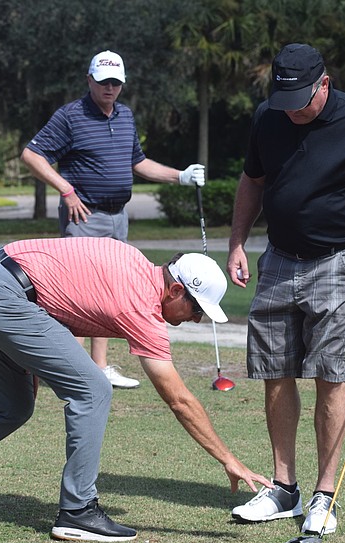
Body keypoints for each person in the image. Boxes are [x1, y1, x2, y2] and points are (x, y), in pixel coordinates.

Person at [0, 237, 272, 542]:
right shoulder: (141, 307)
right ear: (174, 290)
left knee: (12, 406)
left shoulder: (133, 259)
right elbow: (180, 400)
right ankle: (78, 511)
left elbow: (70, 285)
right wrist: (228, 459)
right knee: (94, 389)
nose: (195, 319)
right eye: (196, 309)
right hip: (6, 296)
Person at [225, 44, 345, 537]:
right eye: (283, 99)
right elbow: (253, 180)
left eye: (300, 100)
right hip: (279, 257)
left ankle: (323, 496)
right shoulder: (269, 116)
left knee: (329, 374)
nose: (291, 110)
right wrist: (236, 244)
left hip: (338, 259)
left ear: (325, 84)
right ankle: (283, 489)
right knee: (275, 370)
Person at [21, 50, 206, 389]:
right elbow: (31, 154)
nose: (109, 88)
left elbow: (138, 162)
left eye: (115, 83)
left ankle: (99, 367)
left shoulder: (124, 116)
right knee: (76, 292)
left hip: (117, 217)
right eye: (103, 81)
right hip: (84, 216)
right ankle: (65, 369)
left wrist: (181, 176)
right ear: (89, 80)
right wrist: (65, 189)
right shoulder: (70, 116)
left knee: (109, 290)